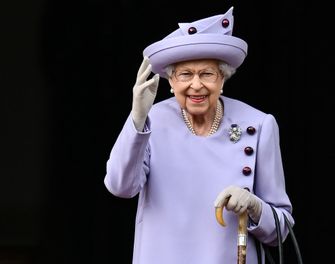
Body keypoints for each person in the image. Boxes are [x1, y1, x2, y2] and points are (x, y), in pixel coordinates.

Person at [104, 6, 294, 264]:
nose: (196, 85)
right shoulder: (152, 121)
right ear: (171, 82)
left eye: (207, 74)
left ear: (223, 78)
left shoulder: (259, 125)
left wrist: (254, 206)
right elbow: (120, 186)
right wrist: (137, 117)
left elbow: (281, 229)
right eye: (185, 74)